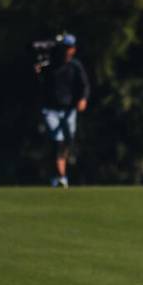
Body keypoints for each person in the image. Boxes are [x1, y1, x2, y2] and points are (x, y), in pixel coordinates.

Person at [36, 33, 90, 188]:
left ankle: (60, 173)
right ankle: (60, 176)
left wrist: (83, 99)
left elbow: (84, 85)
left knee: (67, 140)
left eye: (69, 48)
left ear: (73, 49)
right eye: (64, 47)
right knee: (57, 140)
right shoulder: (49, 65)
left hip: (69, 110)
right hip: (50, 110)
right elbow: (38, 86)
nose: (66, 50)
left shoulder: (75, 66)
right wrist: (38, 72)